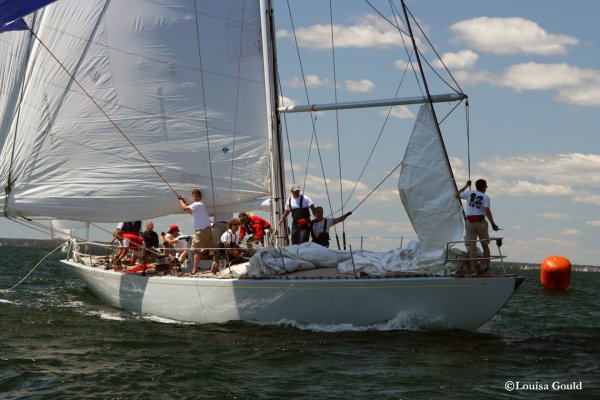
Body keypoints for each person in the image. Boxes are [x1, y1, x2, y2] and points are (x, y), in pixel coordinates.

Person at [456, 179, 499, 275]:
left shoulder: (469, 193)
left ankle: (473, 269)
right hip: (481, 223)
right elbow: (487, 210)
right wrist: (493, 223)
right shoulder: (486, 197)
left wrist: (466, 185)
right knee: (485, 245)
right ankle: (488, 268)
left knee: (472, 246)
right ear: (484, 187)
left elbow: (457, 194)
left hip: (469, 222)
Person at [178, 189, 216, 274]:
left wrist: (180, 200)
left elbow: (184, 208)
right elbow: (191, 211)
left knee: (195, 250)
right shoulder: (201, 205)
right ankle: (216, 265)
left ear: (199, 196)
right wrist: (185, 203)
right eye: (193, 196)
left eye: (195, 196)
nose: (194, 197)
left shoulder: (197, 204)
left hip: (201, 231)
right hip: (208, 230)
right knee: (214, 249)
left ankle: (194, 270)